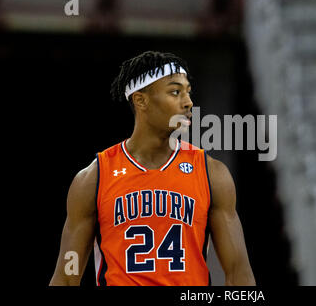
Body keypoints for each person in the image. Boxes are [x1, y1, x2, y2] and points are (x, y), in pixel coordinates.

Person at [49, 51, 255, 286]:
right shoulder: (94, 177)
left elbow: (240, 275)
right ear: (141, 100)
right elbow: (66, 277)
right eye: (175, 92)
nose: (188, 102)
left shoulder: (211, 173)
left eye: (188, 92)